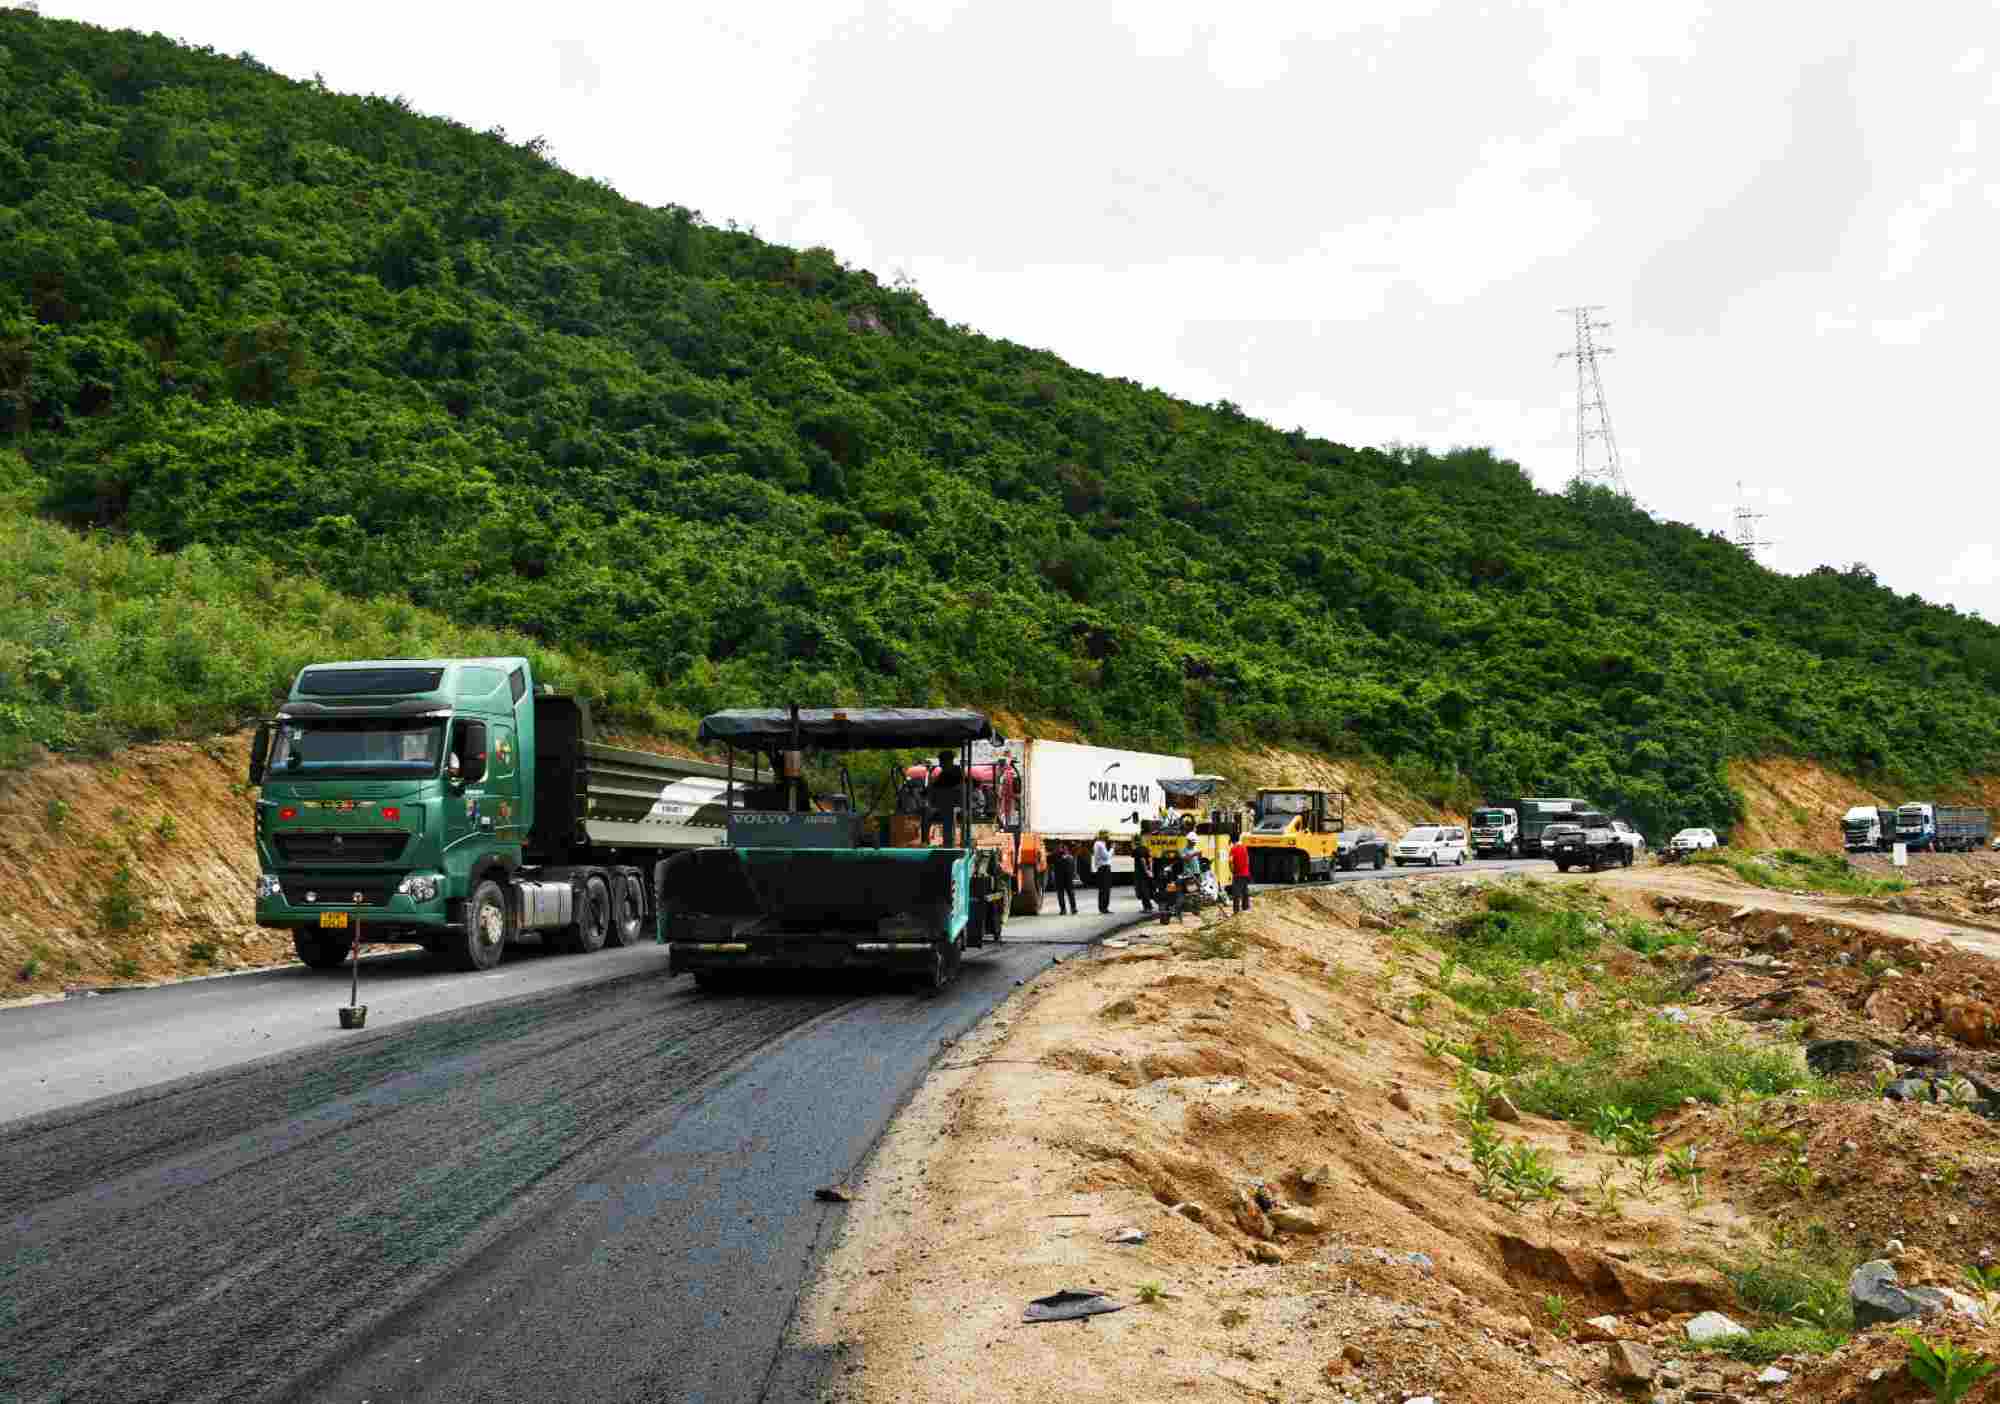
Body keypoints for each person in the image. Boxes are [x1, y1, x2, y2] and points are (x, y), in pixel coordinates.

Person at [1049, 841, 1078, 915]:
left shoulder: (1054, 855)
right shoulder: (1069, 856)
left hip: (1059, 877)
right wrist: (1073, 875)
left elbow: (1049, 862)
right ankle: (1073, 908)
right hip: (1068, 877)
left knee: (1061, 894)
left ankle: (1063, 910)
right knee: (1070, 893)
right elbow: (1072, 867)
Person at [1229, 831, 1252, 913]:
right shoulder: (1244, 847)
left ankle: (1236, 911)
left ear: (1231, 839)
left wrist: (1232, 871)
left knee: (1236, 894)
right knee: (1245, 891)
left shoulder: (1233, 848)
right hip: (1246, 873)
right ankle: (1246, 908)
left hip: (1238, 874)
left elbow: (1231, 861)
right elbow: (1248, 860)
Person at [1091, 830, 1114, 913]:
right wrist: (1112, 849)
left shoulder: (1097, 844)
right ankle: (1104, 908)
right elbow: (1106, 857)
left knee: (1102, 889)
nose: (1108, 837)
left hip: (1101, 868)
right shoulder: (1100, 844)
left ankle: (1102, 907)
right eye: (1107, 835)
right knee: (1105, 889)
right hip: (1104, 868)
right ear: (1103, 835)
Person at [1132, 842, 1154, 913]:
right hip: (1145, 873)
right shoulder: (1146, 848)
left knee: (1143, 890)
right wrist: (1150, 870)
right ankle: (1148, 906)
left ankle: (1147, 907)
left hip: (1140, 874)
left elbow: (1142, 860)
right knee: (1146, 889)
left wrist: (1146, 870)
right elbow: (1150, 859)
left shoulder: (1137, 850)